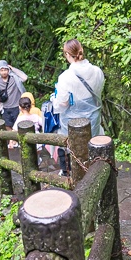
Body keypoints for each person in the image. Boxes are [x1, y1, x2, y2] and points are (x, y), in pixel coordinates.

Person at [51, 39, 105, 174]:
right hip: (93, 119)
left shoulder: (65, 77)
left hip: (72, 122)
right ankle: (94, 170)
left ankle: (68, 173)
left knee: (70, 145)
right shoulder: (97, 71)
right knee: (91, 142)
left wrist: (53, 100)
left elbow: (62, 104)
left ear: (67, 55)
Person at [0, 60, 27, 129]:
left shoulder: (14, 78)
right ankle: (12, 139)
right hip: (5, 108)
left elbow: (25, 77)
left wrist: (12, 68)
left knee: (18, 126)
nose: (4, 72)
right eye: (1, 70)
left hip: (17, 106)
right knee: (7, 126)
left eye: (5, 70)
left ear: (8, 70)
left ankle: (17, 139)